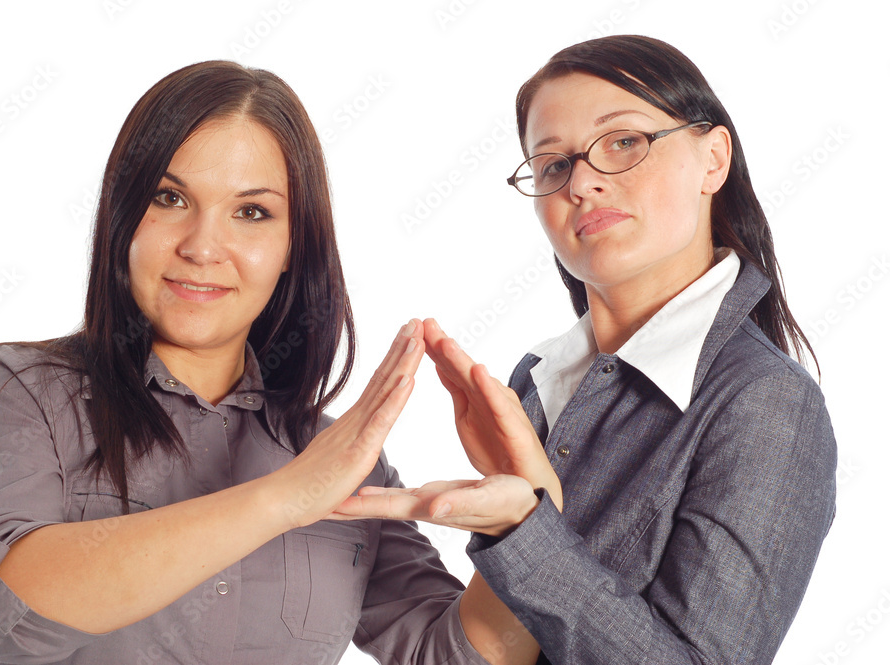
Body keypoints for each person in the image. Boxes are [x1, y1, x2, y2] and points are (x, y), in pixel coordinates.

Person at [0, 61, 541, 665]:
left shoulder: (340, 460)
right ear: (122, 218)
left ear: (292, 246)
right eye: (169, 198)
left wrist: (531, 525)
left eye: (251, 212)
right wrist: (285, 498)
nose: (202, 247)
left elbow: (452, 656)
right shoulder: (27, 393)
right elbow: (1, 617)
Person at [333, 35, 837, 664]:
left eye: (623, 141)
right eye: (553, 165)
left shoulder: (768, 402)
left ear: (713, 160)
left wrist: (523, 531)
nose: (582, 183)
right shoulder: (537, 379)